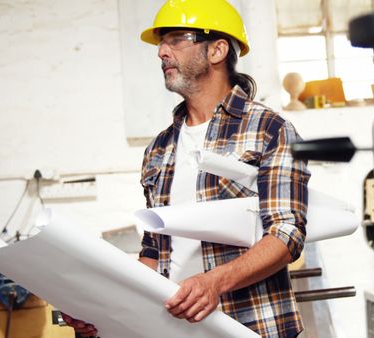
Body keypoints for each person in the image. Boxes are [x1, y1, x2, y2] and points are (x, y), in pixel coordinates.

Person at [64, 0, 310, 337]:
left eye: (176, 39)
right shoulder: (159, 149)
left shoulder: (269, 129)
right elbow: (154, 251)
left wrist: (214, 283)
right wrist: (104, 310)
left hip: (250, 325)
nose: (162, 52)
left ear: (217, 50)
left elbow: (286, 235)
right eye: (162, 42)